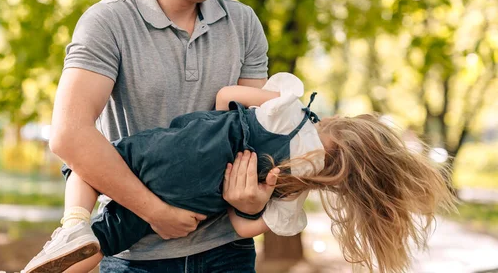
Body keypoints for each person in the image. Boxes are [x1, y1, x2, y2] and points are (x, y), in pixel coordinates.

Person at [46, 0, 271, 273]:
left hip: (228, 253)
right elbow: (69, 134)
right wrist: (155, 211)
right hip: (134, 258)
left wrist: (253, 201)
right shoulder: (108, 23)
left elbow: (258, 135)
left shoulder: (244, 23)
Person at [23, 73, 456, 273]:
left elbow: (224, 95)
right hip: (193, 205)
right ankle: (72, 246)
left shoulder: (289, 106)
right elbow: (240, 226)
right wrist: (248, 202)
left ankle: (73, 225)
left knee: (85, 161)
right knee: (111, 235)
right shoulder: (295, 192)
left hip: (177, 153)